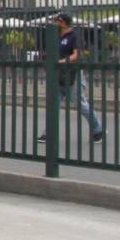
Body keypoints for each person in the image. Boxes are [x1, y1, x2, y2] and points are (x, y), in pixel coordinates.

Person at [38, 12, 104, 144]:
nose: (54, 24)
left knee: (80, 104)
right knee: (53, 104)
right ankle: (48, 134)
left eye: (56, 21)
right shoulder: (57, 36)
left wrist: (62, 62)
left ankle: (98, 130)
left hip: (72, 74)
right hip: (58, 74)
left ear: (62, 22)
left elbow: (77, 55)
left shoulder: (74, 36)